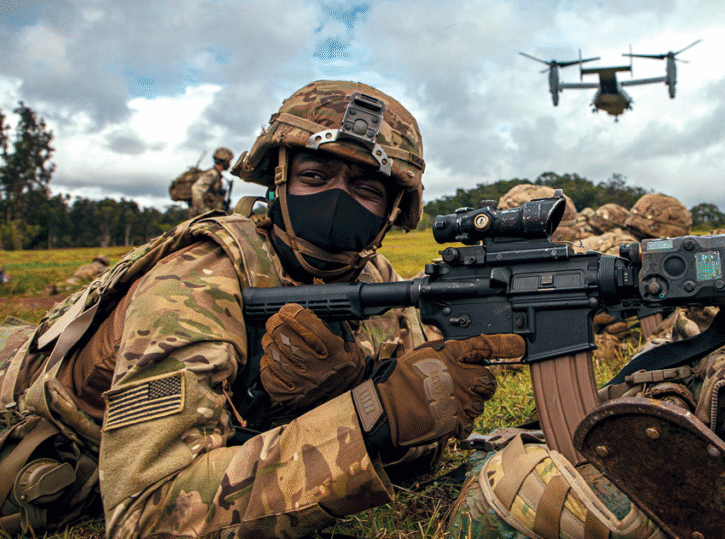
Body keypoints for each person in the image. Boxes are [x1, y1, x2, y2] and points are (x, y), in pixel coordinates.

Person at [0, 80, 524, 537]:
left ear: (393, 209)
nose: (336, 197)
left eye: (365, 187)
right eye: (315, 177)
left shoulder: (382, 285)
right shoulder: (197, 282)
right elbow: (148, 515)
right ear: (277, 179)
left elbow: (411, 442)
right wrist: (371, 414)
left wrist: (385, 399)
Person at [188, 146, 234, 217]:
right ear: (224, 161)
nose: (229, 164)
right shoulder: (212, 174)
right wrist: (205, 211)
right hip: (203, 217)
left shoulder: (217, 176)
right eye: (228, 161)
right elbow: (196, 189)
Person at [43, 255, 111, 296]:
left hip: (72, 279)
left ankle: (56, 287)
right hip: (81, 281)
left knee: (65, 285)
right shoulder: (102, 267)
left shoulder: (85, 266)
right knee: (70, 289)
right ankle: (57, 289)